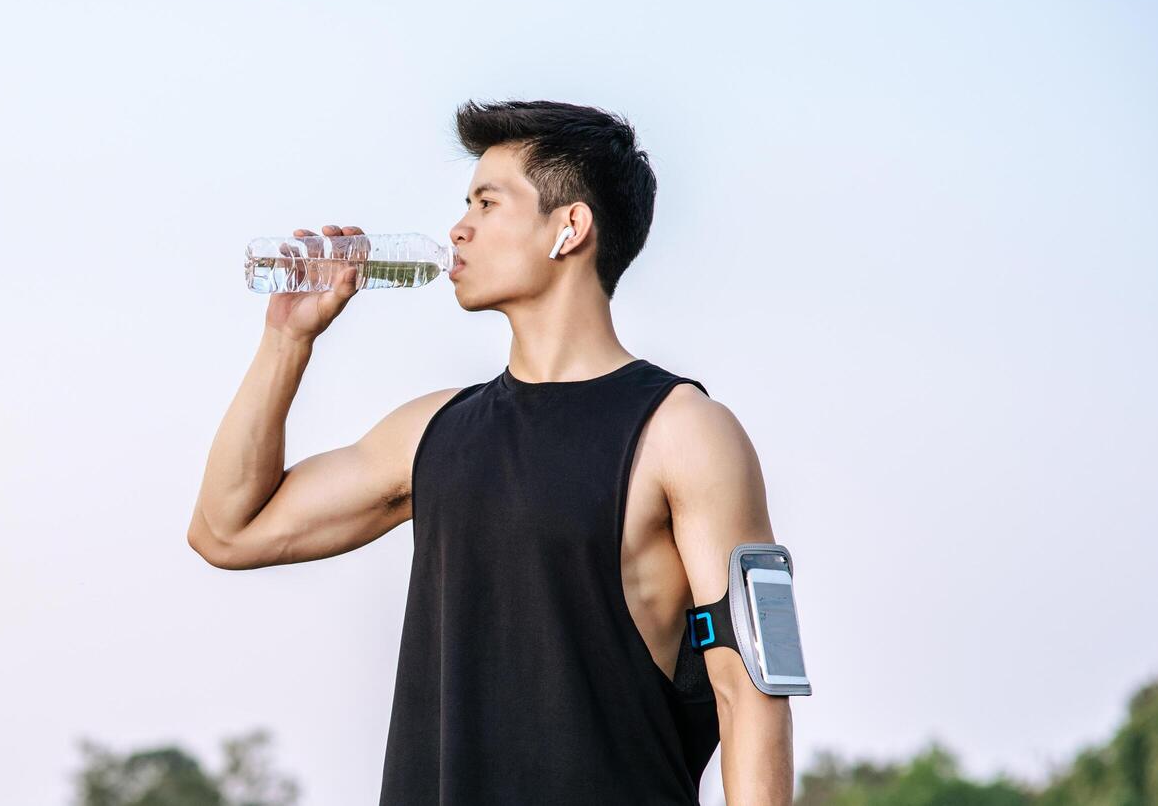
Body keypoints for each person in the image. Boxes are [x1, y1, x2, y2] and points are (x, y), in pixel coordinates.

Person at [186, 99, 794, 804]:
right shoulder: (431, 431)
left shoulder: (684, 431)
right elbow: (226, 531)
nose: (458, 228)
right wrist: (286, 343)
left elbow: (751, 685)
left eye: (486, 202)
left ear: (568, 228)